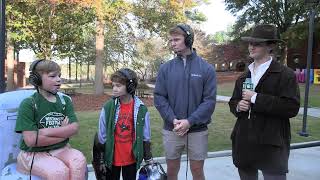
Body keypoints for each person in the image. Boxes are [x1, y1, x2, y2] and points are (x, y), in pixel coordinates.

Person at [228, 24, 300, 180]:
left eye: (257, 43)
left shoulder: (285, 75)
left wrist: (255, 98)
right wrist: (238, 106)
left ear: (271, 46)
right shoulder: (244, 76)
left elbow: (291, 107)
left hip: (271, 144)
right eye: (250, 43)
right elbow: (233, 101)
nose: (251, 47)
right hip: (244, 142)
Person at [154, 23, 217, 180]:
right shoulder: (165, 68)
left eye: (176, 39)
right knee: (172, 170)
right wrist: (173, 120)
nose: (172, 43)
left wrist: (190, 121)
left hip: (197, 130)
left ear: (188, 40)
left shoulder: (206, 68)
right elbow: (159, 97)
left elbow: (209, 101)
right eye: (171, 40)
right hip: (172, 128)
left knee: (196, 170)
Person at [15, 60, 87, 180]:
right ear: (36, 80)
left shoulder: (65, 101)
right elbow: (31, 140)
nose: (59, 79)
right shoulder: (29, 104)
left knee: (78, 161)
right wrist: (64, 133)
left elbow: (74, 128)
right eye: (53, 76)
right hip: (33, 154)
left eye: (59, 75)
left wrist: (44, 132)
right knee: (58, 171)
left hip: (61, 149)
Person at [93, 68, 153, 180]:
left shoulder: (141, 109)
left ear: (130, 87)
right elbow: (102, 136)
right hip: (112, 158)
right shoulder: (108, 107)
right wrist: (101, 160)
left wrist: (148, 159)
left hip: (131, 158)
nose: (114, 89)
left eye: (118, 86)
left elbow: (146, 136)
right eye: (113, 85)